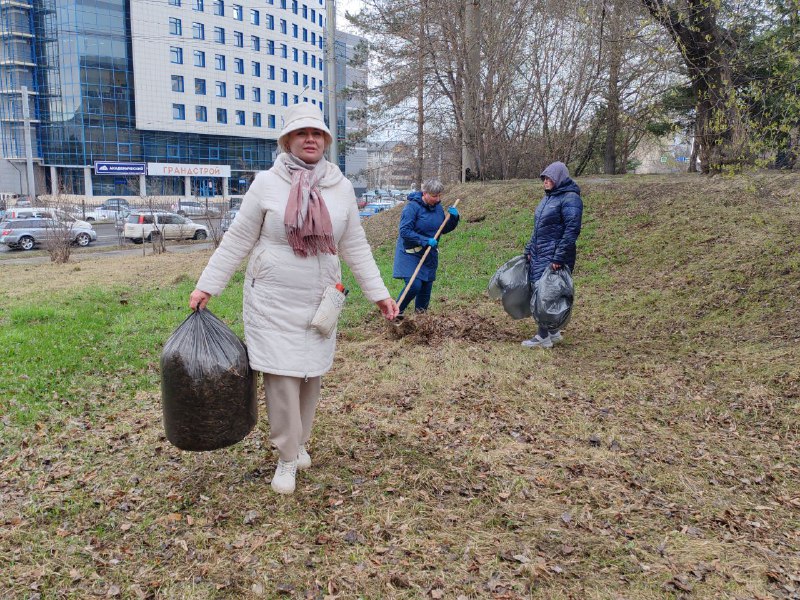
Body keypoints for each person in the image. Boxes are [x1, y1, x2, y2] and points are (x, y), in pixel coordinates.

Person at [188, 103, 399, 494]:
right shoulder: (266, 184)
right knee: (281, 377)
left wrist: (380, 294)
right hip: (272, 298)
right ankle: (287, 456)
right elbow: (237, 239)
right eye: (302, 133)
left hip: (320, 299)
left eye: (317, 133)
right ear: (287, 140)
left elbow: (355, 245)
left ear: (326, 141)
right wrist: (207, 285)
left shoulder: (340, 186)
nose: (310, 140)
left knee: (310, 375)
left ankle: (300, 441)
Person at [522, 161, 583, 349]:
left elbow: (572, 230)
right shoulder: (549, 198)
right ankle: (553, 332)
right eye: (544, 178)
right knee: (544, 292)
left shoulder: (570, 199)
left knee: (546, 295)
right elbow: (539, 229)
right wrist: (529, 249)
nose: (545, 181)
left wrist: (559, 257)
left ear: (559, 179)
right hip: (540, 253)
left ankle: (543, 337)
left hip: (554, 255)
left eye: (549, 178)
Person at [392, 179, 460, 315]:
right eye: (434, 196)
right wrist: (425, 240)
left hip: (428, 254)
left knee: (425, 289)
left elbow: (442, 229)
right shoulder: (412, 208)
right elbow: (405, 231)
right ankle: (397, 314)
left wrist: (453, 218)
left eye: (439, 195)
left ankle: (421, 320)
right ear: (425, 193)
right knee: (414, 285)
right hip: (410, 253)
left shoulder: (438, 208)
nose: (438, 199)